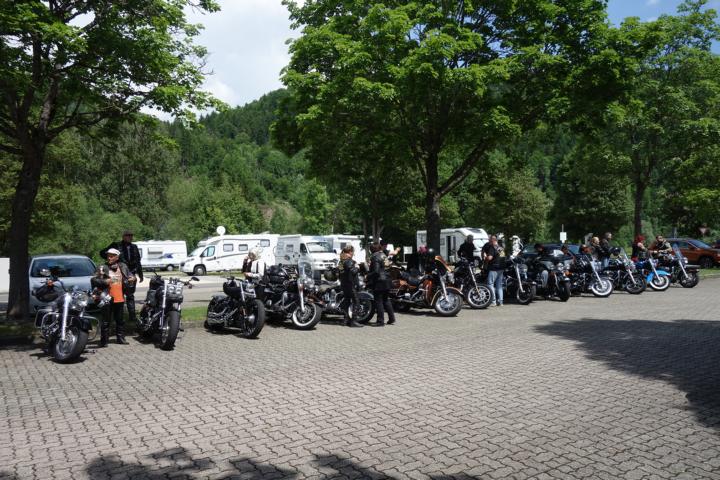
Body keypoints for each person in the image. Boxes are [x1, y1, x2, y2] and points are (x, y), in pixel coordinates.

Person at [101, 230, 143, 329]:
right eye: (128, 235)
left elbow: (138, 261)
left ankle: (132, 316)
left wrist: (140, 274)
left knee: (130, 295)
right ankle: (114, 317)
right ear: (123, 236)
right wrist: (111, 262)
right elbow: (102, 253)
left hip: (130, 274)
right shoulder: (116, 245)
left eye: (131, 235)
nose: (130, 237)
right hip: (119, 273)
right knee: (117, 295)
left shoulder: (134, 247)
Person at [101, 248, 135, 345]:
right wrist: (104, 281)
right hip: (107, 298)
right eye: (108, 256)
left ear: (117, 257)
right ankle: (104, 340)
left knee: (120, 321)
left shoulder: (123, 266)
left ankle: (120, 338)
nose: (109, 258)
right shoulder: (103, 267)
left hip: (119, 298)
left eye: (112, 256)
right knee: (106, 321)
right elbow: (94, 280)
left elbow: (131, 275)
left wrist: (133, 278)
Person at [368, 242, 396, 326]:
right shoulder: (384, 255)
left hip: (380, 281)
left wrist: (368, 276)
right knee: (386, 300)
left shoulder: (375, 256)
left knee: (378, 301)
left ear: (372, 250)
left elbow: (376, 271)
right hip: (387, 279)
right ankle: (392, 318)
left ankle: (380, 321)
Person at [338, 245, 363, 328]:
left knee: (347, 301)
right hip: (350, 284)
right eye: (353, 252)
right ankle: (354, 321)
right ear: (350, 252)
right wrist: (357, 267)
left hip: (344, 283)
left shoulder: (341, 261)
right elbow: (353, 272)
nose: (353, 253)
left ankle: (345, 320)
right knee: (356, 302)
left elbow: (340, 273)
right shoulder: (349, 261)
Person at [481, 235, 505, 306]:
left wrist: (485, 257)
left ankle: (493, 301)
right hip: (501, 268)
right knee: (499, 285)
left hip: (494, 268)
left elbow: (490, 258)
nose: (489, 242)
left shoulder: (492, 247)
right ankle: (501, 301)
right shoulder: (501, 247)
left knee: (490, 284)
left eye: (489, 240)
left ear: (492, 240)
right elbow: (503, 257)